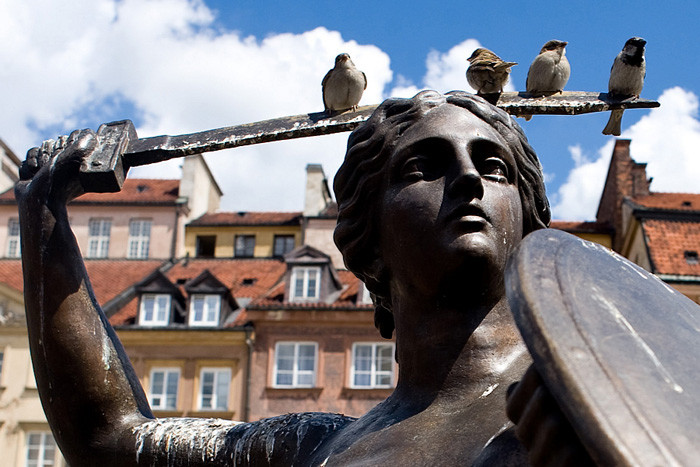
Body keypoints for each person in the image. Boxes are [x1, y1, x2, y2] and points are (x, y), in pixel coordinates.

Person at [16, 90, 585, 466]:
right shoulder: (318, 446)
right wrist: (43, 214)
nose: (468, 179)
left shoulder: (587, 394)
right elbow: (111, 438)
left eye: (494, 167)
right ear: (369, 236)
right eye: (424, 167)